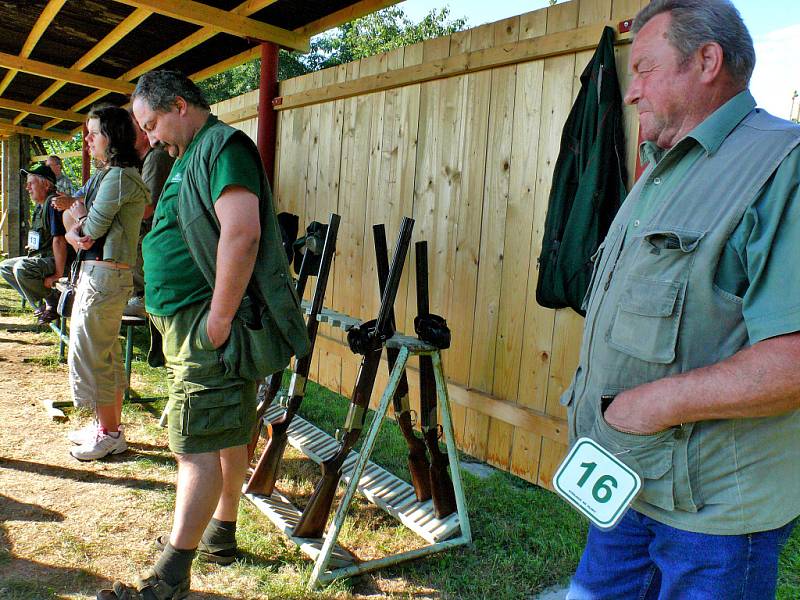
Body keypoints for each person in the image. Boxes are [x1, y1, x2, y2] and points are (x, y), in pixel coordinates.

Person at [563, 1, 800, 598]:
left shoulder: (782, 165)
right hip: (627, 482)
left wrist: (649, 406)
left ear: (707, 61)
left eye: (643, 69)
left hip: (713, 519)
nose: (630, 92)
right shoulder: (662, 169)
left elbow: (793, 363)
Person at [96, 70, 309, 600]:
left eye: (152, 124)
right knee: (225, 431)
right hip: (189, 323)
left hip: (202, 326)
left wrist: (217, 319)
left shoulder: (223, 146)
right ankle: (222, 531)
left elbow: (242, 231)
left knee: (194, 445)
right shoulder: (191, 153)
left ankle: (171, 575)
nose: (149, 138)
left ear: (180, 105)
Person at [64, 105, 148, 461]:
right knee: (103, 355)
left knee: (93, 354)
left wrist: (77, 219)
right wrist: (75, 223)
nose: (87, 140)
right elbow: (75, 224)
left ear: (112, 138)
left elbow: (88, 227)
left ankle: (110, 434)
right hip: (101, 272)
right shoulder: (110, 176)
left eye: (93, 133)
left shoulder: (119, 177)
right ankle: (107, 429)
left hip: (106, 274)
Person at [0, 164, 68, 324]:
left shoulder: (53, 203)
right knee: (5, 267)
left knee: (22, 268)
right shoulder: (40, 206)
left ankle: (53, 301)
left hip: (58, 261)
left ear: (46, 184)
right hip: (42, 257)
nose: (27, 187)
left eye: (31, 183)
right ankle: (45, 301)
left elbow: (60, 241)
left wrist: (58, 274)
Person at [125, 110, 174, 317]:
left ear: (145, 133)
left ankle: (141, 297)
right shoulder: (145, 160)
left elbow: (146, 209)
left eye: (131, 130)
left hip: (158, 239)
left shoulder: (156, 157)